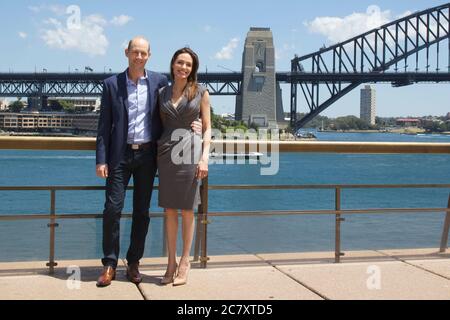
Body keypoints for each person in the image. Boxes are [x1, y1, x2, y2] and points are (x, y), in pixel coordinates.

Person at [95, 37, 201, 287]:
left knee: (142, 212)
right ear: (126, 53)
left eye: (143, 53)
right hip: (119, 156)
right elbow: (103, 127)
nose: (139, 57)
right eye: (135, 52)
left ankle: (133, 263)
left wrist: (196, 124)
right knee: (112, 209)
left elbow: (176, 108)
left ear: (149, 55)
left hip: (148, 156)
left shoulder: (159, 83)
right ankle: (109, 264)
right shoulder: (111, 84)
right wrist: (101, 159)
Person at [157, 47, 211, 286]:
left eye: (188, 65)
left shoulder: (201, 92)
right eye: (180, 63)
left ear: (193, 69)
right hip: (167, 154)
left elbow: (208, 128)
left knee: (188, 210)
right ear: (172, 64)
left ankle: (185, 262)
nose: (184, 68)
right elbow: (161, 124)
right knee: (169, 210)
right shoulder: (161, 93)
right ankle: (170, 261)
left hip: (190, 154)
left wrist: (204, 158)